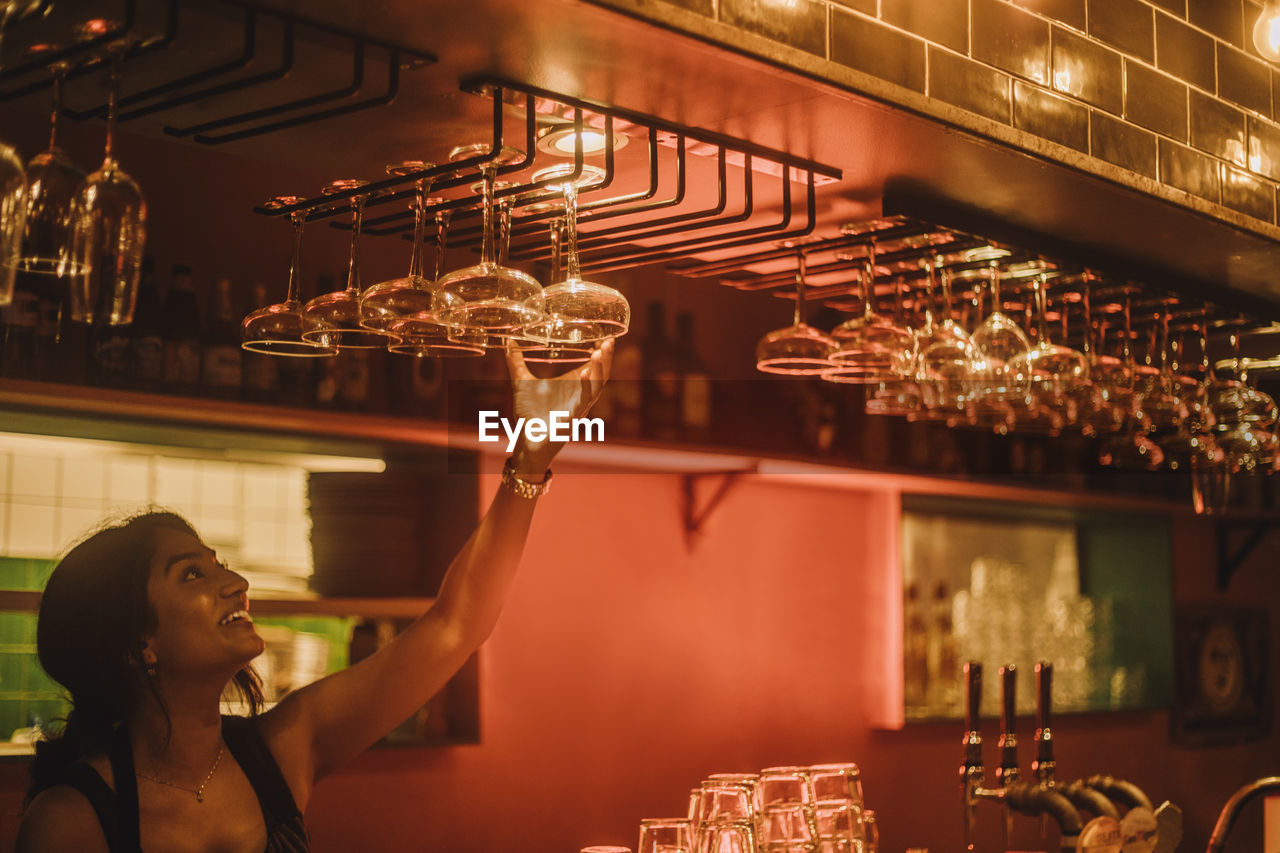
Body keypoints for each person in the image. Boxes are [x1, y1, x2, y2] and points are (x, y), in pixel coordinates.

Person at [15, 342, 613, 852]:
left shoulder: (281, 749)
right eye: (191, 576)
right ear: (135, 641)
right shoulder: (74, 818)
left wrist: (529, 459)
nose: (237, 583)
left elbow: (456, 625)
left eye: (219, 565)